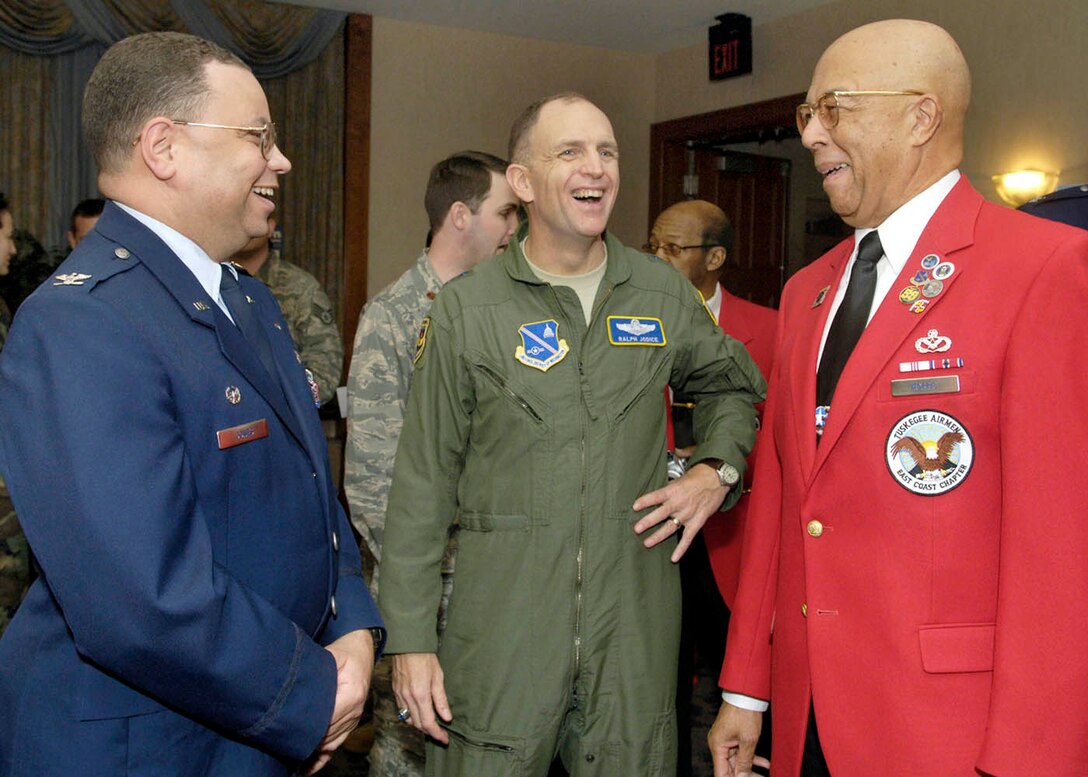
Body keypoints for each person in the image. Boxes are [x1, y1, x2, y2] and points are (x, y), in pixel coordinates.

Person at [709, 19, 1088, 777]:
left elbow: (1059, 553)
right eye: (806, 115)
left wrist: (1030, 759)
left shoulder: (1043, 268)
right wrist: (747, 688)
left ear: (922, 116)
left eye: (835, 108)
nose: (813, 134)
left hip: (949, 733)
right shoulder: (805, 291)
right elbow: (785, 499)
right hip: (808, 719)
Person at [0, 31, 383, 776]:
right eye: (257, 136)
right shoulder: (84, 320)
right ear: (164, 147)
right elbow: (141, 595)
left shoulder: (250, 301)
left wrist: (356, 629)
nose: (281, 159)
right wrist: (310, 693)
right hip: (146, 746)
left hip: (251, 729)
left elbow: (314, 496)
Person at [379, 92, 766, 776]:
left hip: (633, 642)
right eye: (571, 152)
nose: (597, 168)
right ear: (523, 182)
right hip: (501, 638)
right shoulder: (470, 307)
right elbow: (421, 483)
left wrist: (716, 470)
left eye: (607, 151)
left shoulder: (659, 293)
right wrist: (409, 638)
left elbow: (735, 384)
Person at [345, 150, 518, 777]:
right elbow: (372, 485)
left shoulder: (510, 314)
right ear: (459, 215)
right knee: (412, 753)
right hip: (430, 592)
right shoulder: (393, 319)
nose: (515, 229)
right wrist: (439, 578)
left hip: (503, 588)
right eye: (507, 213)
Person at [646, 199, 776, 777]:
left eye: (673, 249)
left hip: (735, 535)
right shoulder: (634, 319)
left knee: (741, 677)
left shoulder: (771, 328)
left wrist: (714, 463)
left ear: (715, 258)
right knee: (659, 679)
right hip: (656, 529)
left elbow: (779, 427)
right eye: (653, 246)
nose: (658, 258)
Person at [232, 208, 344, 405]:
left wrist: (285, 401)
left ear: (270, 227)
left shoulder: (301, 287)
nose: (247, 224)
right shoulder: (212, 281)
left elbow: (326, 367)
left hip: (288, 416)